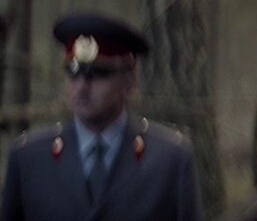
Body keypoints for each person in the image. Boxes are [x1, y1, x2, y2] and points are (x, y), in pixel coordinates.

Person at [1, 12, 203, 221]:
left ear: (129, 81)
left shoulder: (168, 161)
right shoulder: (30, 159)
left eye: (97, 74)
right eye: (73, 73)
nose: (82, 87)